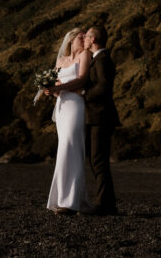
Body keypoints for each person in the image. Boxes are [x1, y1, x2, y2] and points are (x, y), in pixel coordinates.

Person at [43, 28, 91, 214]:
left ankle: (69, 201)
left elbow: (82, 80)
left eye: (85, 36)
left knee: (71, 147)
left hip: (76, 106)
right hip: (62, 107)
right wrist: (50, 90)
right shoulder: (61, 61)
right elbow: (56, 84)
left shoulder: (85, 55)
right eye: (80, 36)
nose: (83, 39)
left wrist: (61, 88)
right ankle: (66, 199)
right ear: (71, 40)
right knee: (64, 147)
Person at [80, 25, 120, 215]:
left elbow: (104, 86)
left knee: (98, 161)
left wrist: (84, 94)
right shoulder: (98, 59)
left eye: (86, 36)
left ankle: (103, 204)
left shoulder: (103, 60)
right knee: (97, 160)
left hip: (101, 117)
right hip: (97, 117)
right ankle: (107, 203)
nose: (84, 39)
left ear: (93, 40)